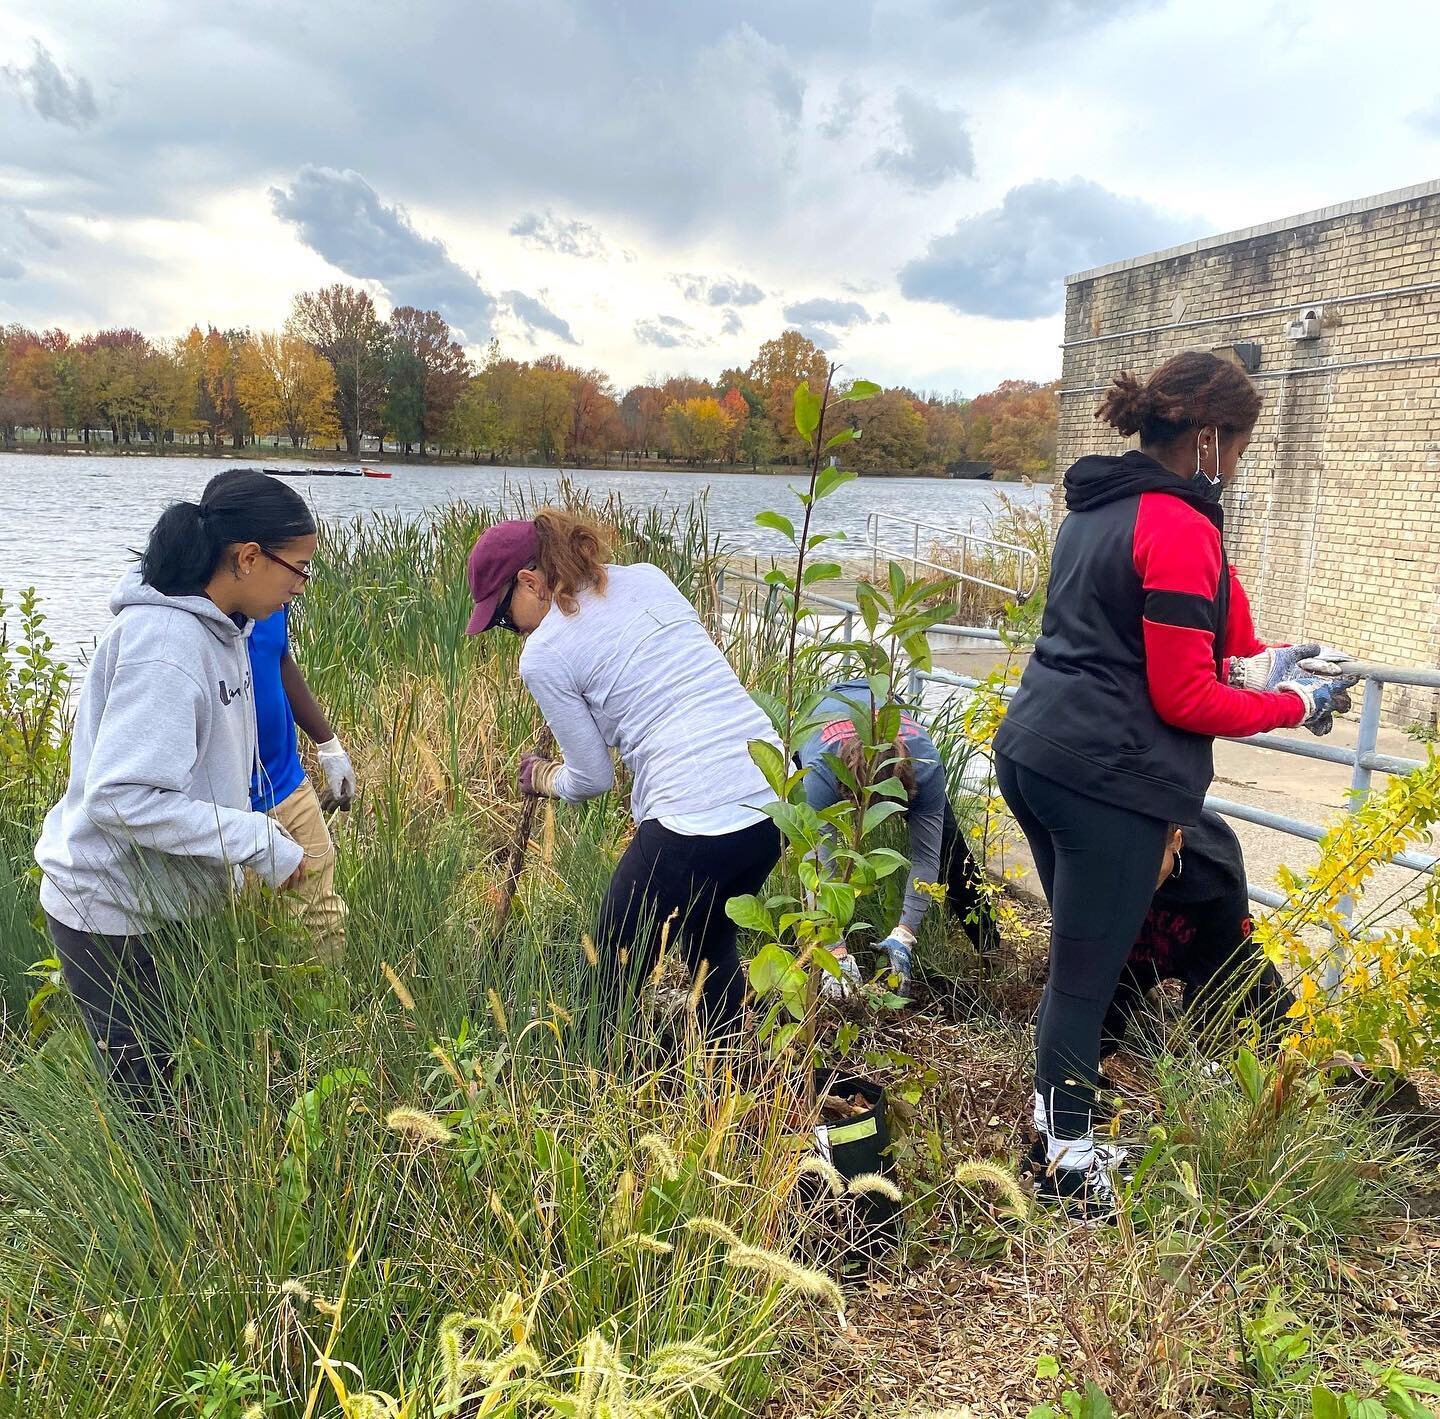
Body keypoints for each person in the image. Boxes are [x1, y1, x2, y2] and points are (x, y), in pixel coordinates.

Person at [992, 351, 1356, 1217]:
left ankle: (1054, 1130)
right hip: (1105, 780)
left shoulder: (1098, 507)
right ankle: (1069, 1167)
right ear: (1208, 437)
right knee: (1085, 973)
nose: (1238, 467)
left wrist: (1271, 661)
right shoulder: (1180, 525)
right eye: (1239, 450)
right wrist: (1294, 702)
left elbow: (1143, 641)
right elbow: (1184, 695)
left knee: (1081, 960)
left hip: (1035, 752)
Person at [34, 471, 315, 1110]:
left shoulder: (227, 628)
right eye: (297, 569)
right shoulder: (165, 647)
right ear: (248, 558)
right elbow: (121, 798)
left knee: (193, 1082)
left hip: (164, 903)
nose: (300, 586)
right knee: (153, 1107)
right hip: (114, 914)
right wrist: (255, 840)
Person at [464, 509, 782, 1039]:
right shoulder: (648, 578)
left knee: (610, 965)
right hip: (773, 796)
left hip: (694, 812)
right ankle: (731, 1068)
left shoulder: (543, 653)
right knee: (709, 939)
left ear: (530, 582)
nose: (512, 630)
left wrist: (544, 778)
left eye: (502, 617)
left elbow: (593, 778)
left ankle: (603, 1072)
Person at [796, 678, 999, 999]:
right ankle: (812, 952)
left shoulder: (926, 766)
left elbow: (926, 857)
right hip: (824, 708)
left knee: (949, 849)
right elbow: (819, 867)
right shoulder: (819, 775)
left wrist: (904, 936)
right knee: (796, 835)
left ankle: (991, 948)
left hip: (884, 699)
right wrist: (835, 951)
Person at [1101, 813, 1293, 1057]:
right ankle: (1142, 1007)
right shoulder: (1093, 849)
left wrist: (1203, 1042)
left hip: (1206, 939)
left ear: (1176, 841)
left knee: (1267, 1008)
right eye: (1129, 867)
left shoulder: (1216, 864)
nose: (1140, 881)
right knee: (1092, 1024)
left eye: (1149, 865)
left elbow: (1221, 972)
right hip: (1135, 947)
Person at [246, 590, 356, 965]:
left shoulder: (275, 591)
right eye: (298, 568)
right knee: (249, 929)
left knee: (323, 918)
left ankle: (330, 999)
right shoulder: (203, 602)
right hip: (231, 805)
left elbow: (279, 657)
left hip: (288, 784)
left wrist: (329, 746)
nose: (301, 586)